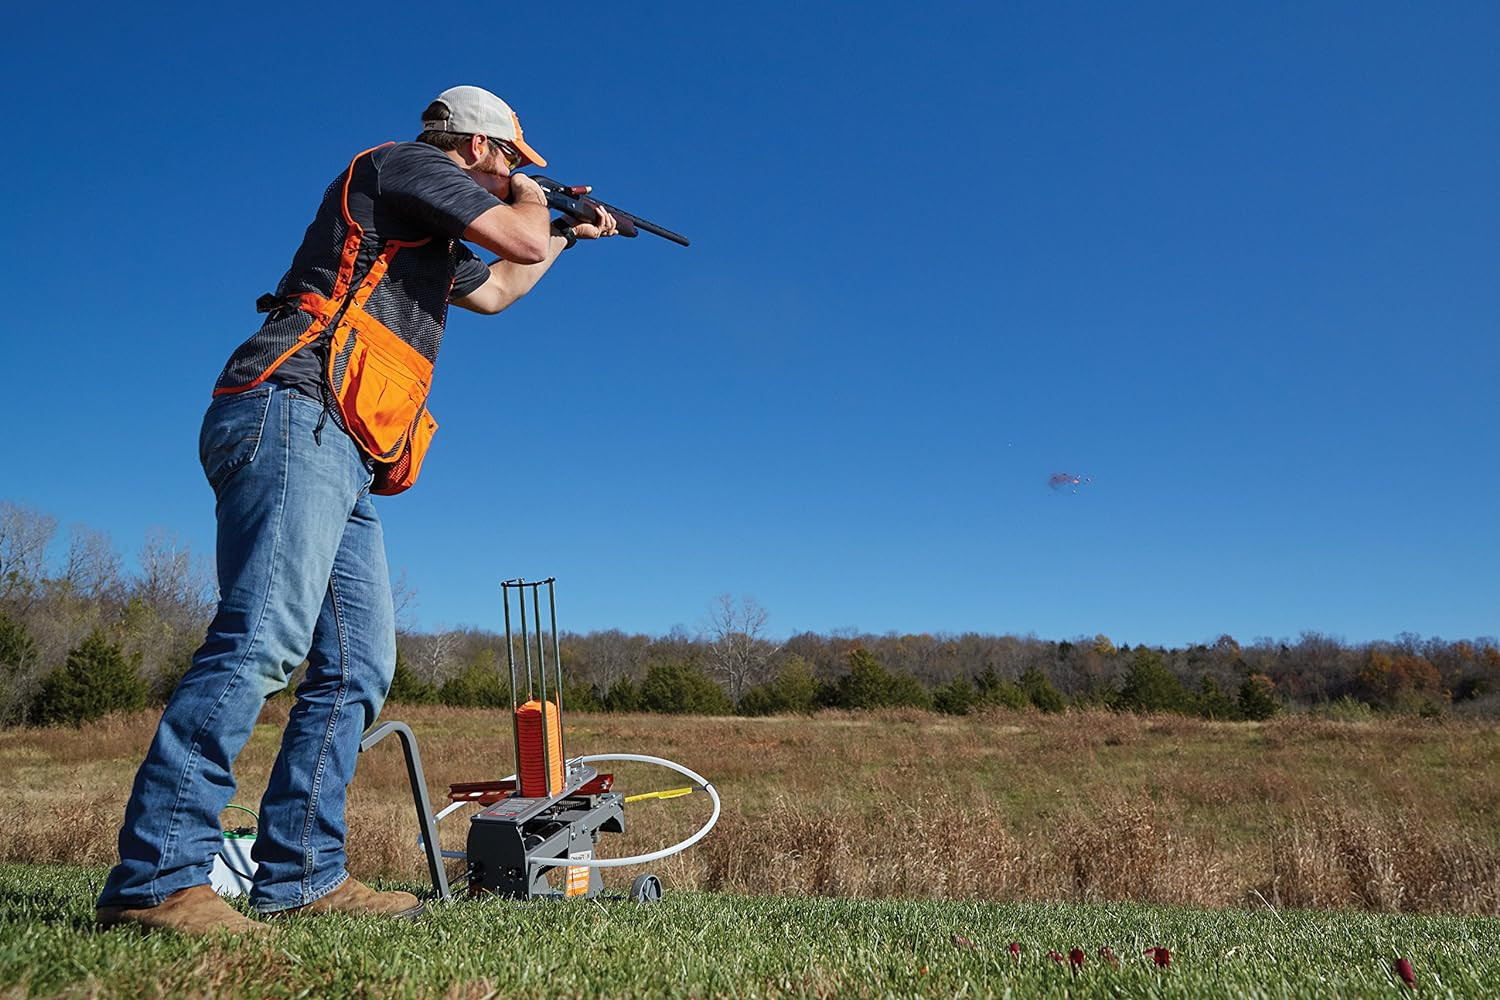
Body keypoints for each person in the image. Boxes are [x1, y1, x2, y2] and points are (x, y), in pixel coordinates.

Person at [95, 86, 616, 935]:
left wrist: (570, 234)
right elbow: (517, 228)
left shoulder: (438, 226)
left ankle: (302, 876)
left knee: (356, 668)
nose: (519, 175)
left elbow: (500, 289)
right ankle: (156, 881)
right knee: (262, 640)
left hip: (344, 443)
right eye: (514, 161)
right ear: (480, 149)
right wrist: (538, 208)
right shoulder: (406, 166)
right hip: (293, 410)